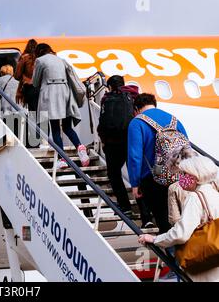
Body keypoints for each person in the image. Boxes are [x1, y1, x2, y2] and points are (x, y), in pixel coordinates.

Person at [138, 155, 219, 282]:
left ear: (195, 177)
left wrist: (155, 239)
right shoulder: (215, 195)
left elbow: (181, 234)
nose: (180, 178)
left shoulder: (195, 198)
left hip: (202, 266)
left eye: (184, 174)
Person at [128, 93, 188, 233]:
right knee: (182, 219)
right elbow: (187, 147)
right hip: (179, 176)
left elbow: (134, 156)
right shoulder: (174, 120)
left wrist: (135, 183)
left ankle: (172, 253)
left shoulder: (137, 122)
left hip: (153, 178)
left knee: (163, 221)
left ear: (136, 109)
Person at [98, 75, 152, 223]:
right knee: (136, 177)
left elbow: (102, 123)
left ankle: (125, 207)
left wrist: (104, 141)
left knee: (114, 175)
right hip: (130, 141)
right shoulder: (133, 96)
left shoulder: (106, 99)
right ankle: (146, 215)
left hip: (112, 143)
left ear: (109, 87)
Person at [32, 43, 89, 168]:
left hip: (51, 96)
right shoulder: (62, 60)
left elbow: (35, 82)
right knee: (67, 127)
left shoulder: (39, 61)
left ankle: (62, 160)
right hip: (65, 95)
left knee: (55, 129)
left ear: (39, 51)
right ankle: (80, 147)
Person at [15, 39, 40, 147]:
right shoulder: (40, 59)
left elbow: (17, 75)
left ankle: (34, 142)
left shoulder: (25, 57)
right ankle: (42, 140)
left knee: (32, 114)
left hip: (29, 89)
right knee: (42, 114)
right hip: (41, 88)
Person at [0, 65, 20, 137]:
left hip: (6, 107)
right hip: (17, 107)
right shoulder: (17, 81)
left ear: (2, 72)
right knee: (17, 127)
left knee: (8, 128)